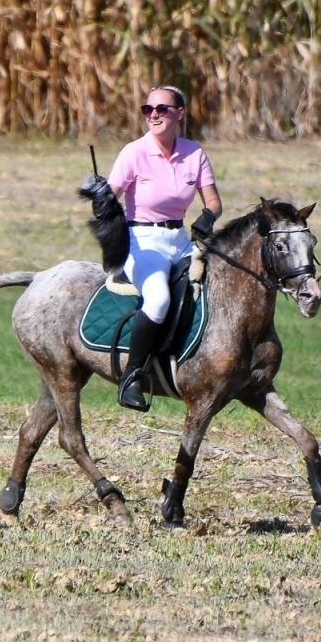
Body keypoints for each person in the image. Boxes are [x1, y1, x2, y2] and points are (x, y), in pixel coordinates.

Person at [106, 83, 223, 412]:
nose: (153, 115)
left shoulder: (194, 153)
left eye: (162, 109)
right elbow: (110, 195)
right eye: (148, 110)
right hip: (141, 241)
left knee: (219, 286)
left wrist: (207, 217)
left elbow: (213, 202)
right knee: (158, 298)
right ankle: (132, 377)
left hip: (180, 240)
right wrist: (100, 198)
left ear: (180, 114)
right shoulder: (134, 152)